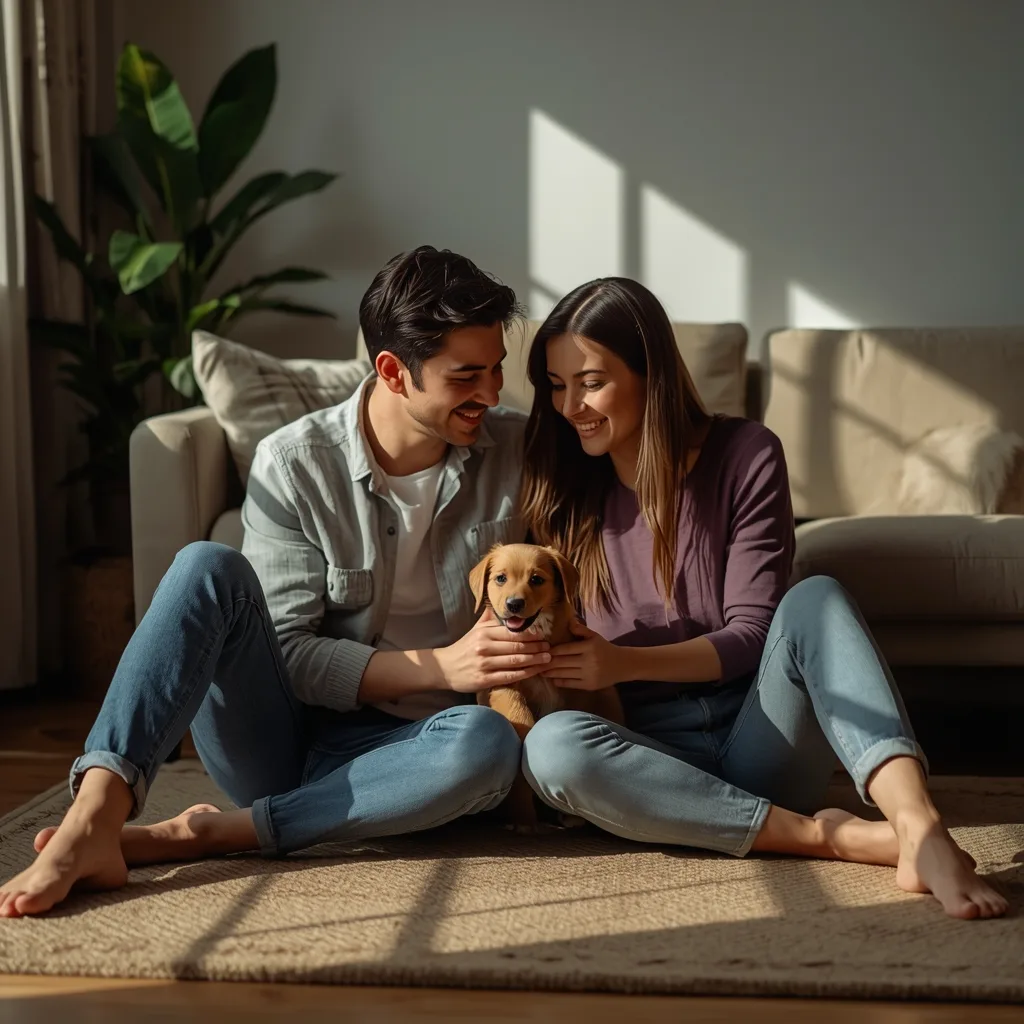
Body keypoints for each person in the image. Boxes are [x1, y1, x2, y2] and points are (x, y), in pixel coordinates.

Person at [0, 246, 551, 919]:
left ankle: (213, 834)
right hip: (289, 742)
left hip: (425, 750)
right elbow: (288, 656)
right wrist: (442, 665)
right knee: (206, 566)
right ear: (392, 371)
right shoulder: (294, 463)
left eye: (497, 371)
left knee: (487, 743)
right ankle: (93, 817)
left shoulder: (520, 452)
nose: (492, 395)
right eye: (468, 377)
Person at [517, 277, 1009, 920]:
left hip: (763, 733)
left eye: (589, 381)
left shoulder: (746, 453)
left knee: (815, 598)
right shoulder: (563, 493)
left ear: (649, 372)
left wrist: (622, 661)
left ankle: (919, 828)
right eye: (556, 386)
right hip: (655, 764)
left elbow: (753, 634)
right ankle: (833, 838)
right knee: (553, 747)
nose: (570, 405)